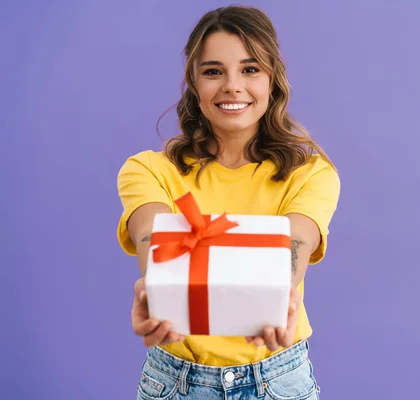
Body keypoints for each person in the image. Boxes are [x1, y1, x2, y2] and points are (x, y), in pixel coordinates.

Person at [116, 5, 340, 400]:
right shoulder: (148, 170)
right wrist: (153, 293)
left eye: (250, 69)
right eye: (213, 71)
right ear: (194, 84)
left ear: (273, 81)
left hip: (277, 378)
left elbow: (294, 247)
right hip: (174, 382)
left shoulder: (311, 174)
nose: (232, 86)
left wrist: (281, 296)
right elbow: (156, 242)